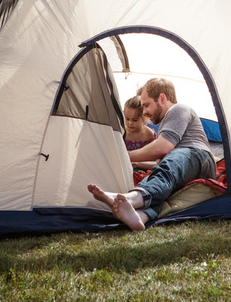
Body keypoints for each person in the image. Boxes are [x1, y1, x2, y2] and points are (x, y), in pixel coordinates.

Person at [88, 78, 216, 230]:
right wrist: (137, 163)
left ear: (162, 98)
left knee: (167, 167)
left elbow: (163, 148)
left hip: (199, 157)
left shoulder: (179, 109)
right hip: (186, 164)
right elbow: (164, 163)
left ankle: (130, 199)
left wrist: (125, 155)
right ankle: (141, 216)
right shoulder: (166, 125)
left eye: (146, 105)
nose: (144, 112)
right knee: (157, 178)